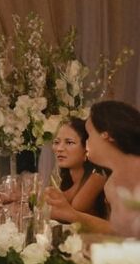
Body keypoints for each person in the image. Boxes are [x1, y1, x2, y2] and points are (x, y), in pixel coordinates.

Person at [46, 100, 140, 236]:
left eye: (89, 135)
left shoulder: (132, 174)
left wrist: (71, 214)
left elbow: (128, 235)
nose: (86, 142)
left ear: (107, 136)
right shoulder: (114, 179)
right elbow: (119, 233)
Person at [42, 118, 108, 223]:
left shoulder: (98, 174)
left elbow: (70, 213)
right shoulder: (68, 179)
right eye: (56, 142)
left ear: (86, 148)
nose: (59, 148)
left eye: (69, 142)